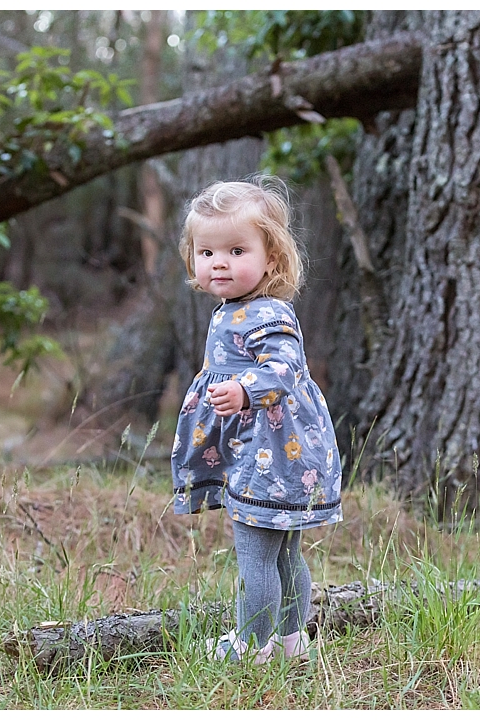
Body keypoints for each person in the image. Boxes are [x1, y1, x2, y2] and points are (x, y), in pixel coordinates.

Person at [170, 175, 343, 664]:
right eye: (206, 252)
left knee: (257, 555)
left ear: (272, 258)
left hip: (272, 455)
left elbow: (285, 369)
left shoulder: (267, 314)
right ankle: (290, 642)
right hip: (262, 451)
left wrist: (246, 389)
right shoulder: (234, 309)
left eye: (236, 251)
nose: (219, 262)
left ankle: (253, 645)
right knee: (284, 552)